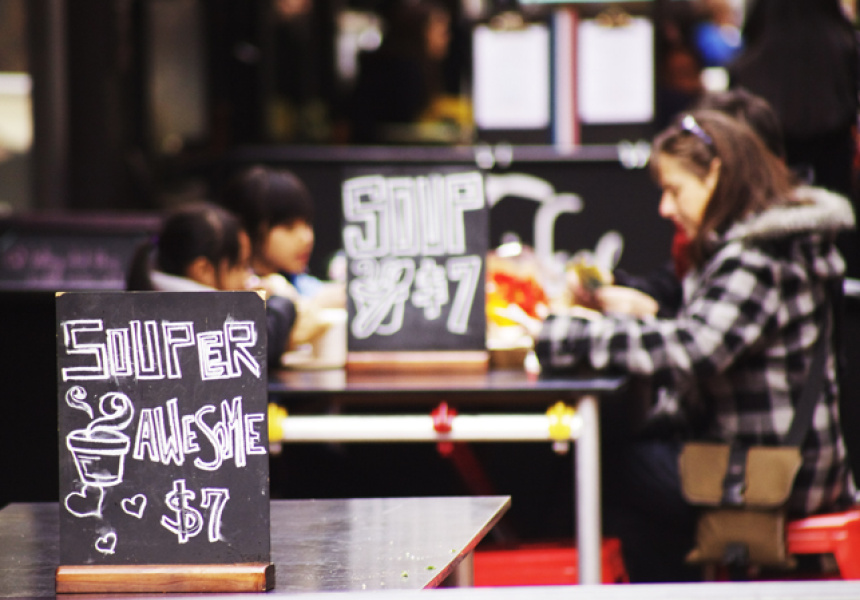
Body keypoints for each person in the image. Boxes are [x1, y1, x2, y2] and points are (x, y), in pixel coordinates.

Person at [538, 109, 856, 582]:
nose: (665, 208)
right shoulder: (773, 239)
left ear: (716, 175)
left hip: (779, 473)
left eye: (674, 190)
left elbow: (695, 348)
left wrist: (569, 335)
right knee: (633, 479)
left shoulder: (757, 255)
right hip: (794, 460)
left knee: (610, 467)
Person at [126, 201, 297, 369]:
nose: (248, 278)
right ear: (203, 270)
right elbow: (260, 346)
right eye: (240, 266)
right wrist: (278, 302)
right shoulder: (191, 315)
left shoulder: (153, 298)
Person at [219, 165, 345, 346]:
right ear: (250, 229)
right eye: (289, 227)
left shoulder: (295, 281)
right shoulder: (239, 290)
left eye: (307, 224)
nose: (306, 238)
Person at [349, 0, 467, 144]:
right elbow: (400, 130)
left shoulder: (417, 67)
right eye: (442, 32)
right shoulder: (403, 72)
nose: (447, 39)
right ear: (420, 32)